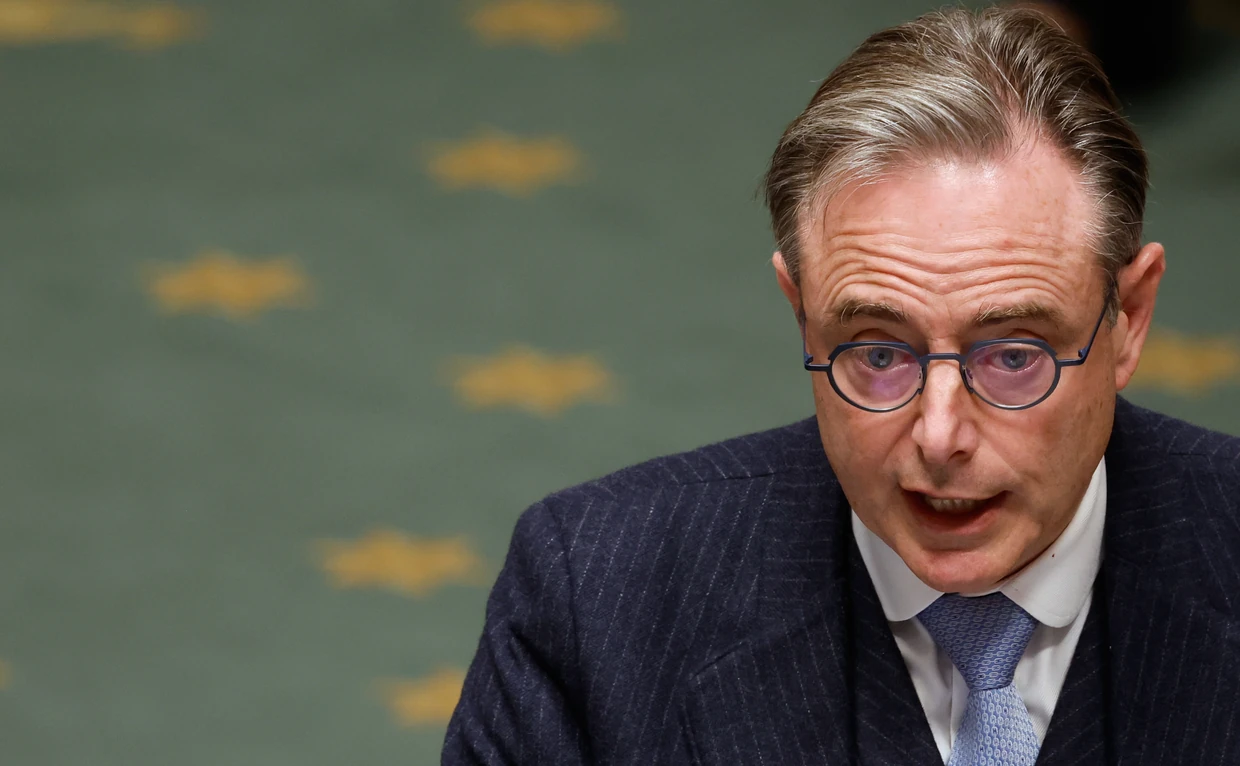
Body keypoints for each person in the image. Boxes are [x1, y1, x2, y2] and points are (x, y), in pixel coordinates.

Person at [443, 7, 1240, 765]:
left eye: (1012, 356)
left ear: (1129, 318)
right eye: (880, 355)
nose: (939, 436)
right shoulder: (596, 600)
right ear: (802, 316)